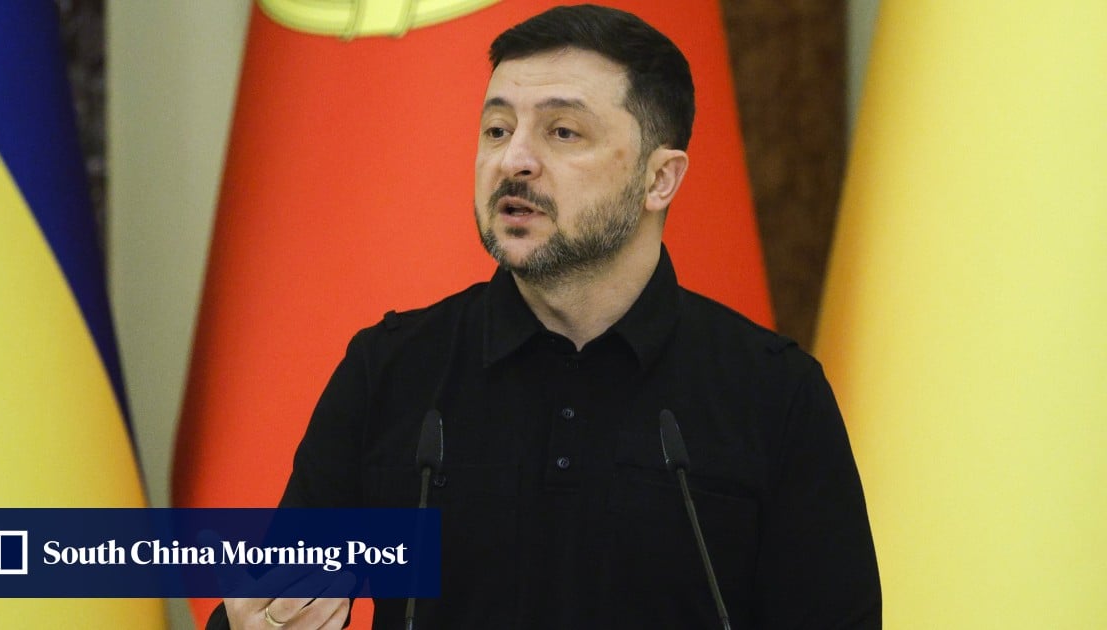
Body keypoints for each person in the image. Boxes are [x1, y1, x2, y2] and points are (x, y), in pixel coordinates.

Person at [211, 4, 879, 629]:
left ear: (660, 179)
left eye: (562, 132)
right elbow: (270, 605)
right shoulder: (390, 371)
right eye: (497, 130)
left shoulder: (775, 394)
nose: (514, 160)